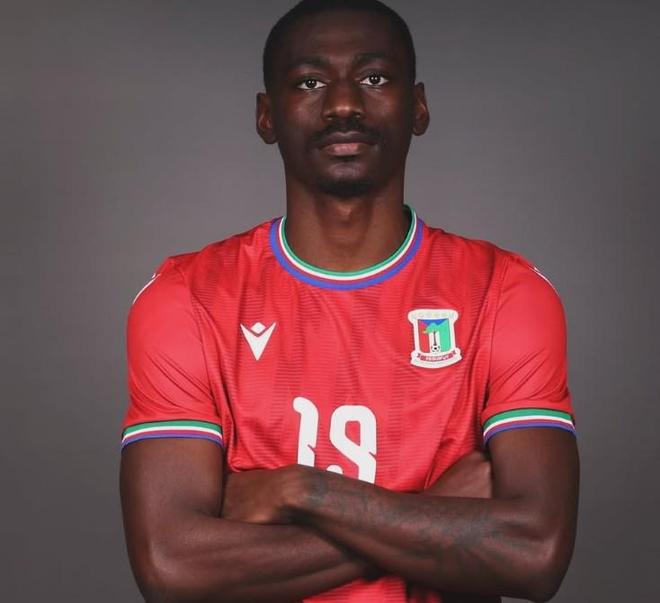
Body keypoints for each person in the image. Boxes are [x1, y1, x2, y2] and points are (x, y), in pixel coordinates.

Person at [119, 1, 579, 601]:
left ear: (418, 107)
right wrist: (433, 513)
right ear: (267, 116)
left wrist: (302, 492)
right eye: (310, 82)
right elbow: (172, 566)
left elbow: (535, 553)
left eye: (374, 78)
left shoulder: (506, 292)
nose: (342, 104)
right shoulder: (187, 297)